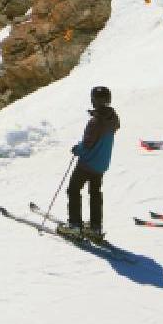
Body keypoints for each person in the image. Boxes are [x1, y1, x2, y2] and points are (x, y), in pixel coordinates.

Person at [61, 86, 120, 237]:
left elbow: (87, 145)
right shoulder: (113, 118)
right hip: (101, 164)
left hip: (88, 163)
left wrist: (77, 149)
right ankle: (95, 227)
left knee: (73, 189)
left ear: (94, 101)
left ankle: (75, 225)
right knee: (95, 192)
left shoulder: (95, 122)